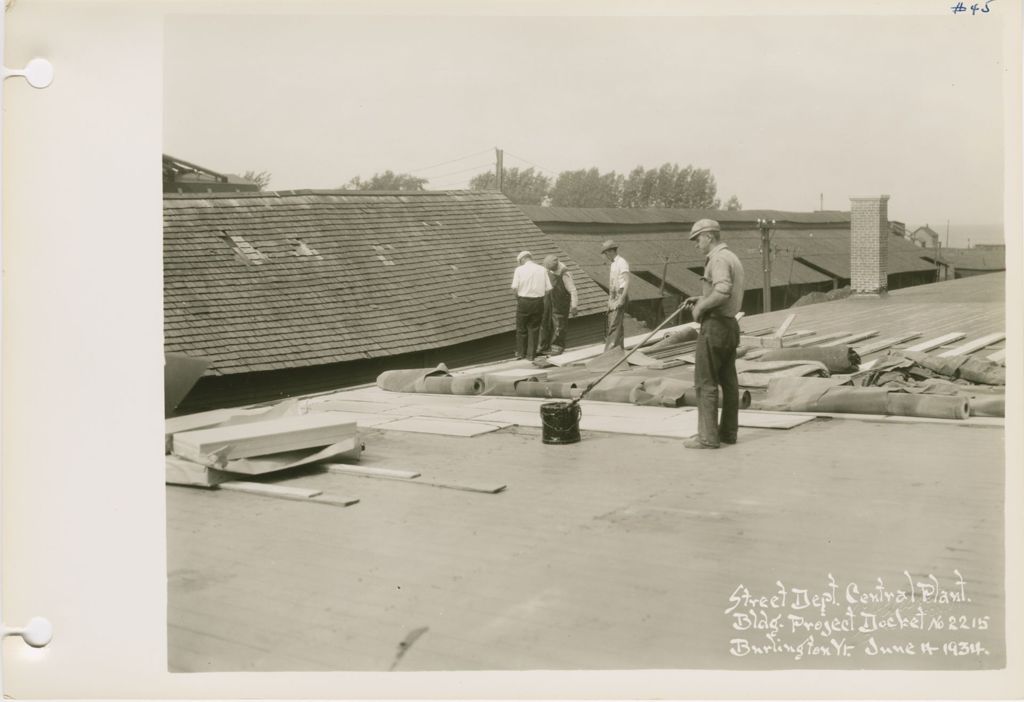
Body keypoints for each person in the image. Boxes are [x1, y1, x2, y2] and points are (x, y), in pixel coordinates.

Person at [681, 219, 745, 449]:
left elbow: (723, 290)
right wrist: (700, 298)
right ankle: (728, 432)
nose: (696, 244)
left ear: (709, 236)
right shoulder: (731, 256)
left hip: (715, 327)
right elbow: (724, 291)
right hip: (729, 326)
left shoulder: (717, 259)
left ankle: (707, 437)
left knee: (705, 381)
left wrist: (701, 308)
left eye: (697, 239)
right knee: (729, 382)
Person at [510, 250, 551, 360]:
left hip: (523, 301)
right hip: (538, 302)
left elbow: (514, 288)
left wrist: (519, 299)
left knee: (521, 328)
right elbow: (548, 289)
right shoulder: (542, 269)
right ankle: (531, 355)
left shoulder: (519, 270)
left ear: (522, 259)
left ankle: (521, 353)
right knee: (534, 328)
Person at [537, 254, 579, 356]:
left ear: (556, 266)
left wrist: (574, 306)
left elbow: (573, 290)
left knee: (559, 325)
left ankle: (557, 347)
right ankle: (543, 347)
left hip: (561, 302)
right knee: (545, 323)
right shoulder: (548, 269)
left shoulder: (565, 274)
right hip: (549, 300)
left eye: (551, 269)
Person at [601, 240, 629, 350]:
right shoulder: (613, 264)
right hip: (614, 296)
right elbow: (612, 284)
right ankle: (619, 351)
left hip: (621, 294)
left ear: (612, 251)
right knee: (616, 325)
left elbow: (626, 281)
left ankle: (610, 352)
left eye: (606, 253)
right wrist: (610, 300)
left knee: (614, 325)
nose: (606, 256)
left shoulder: (622, 262)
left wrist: (622, 298)